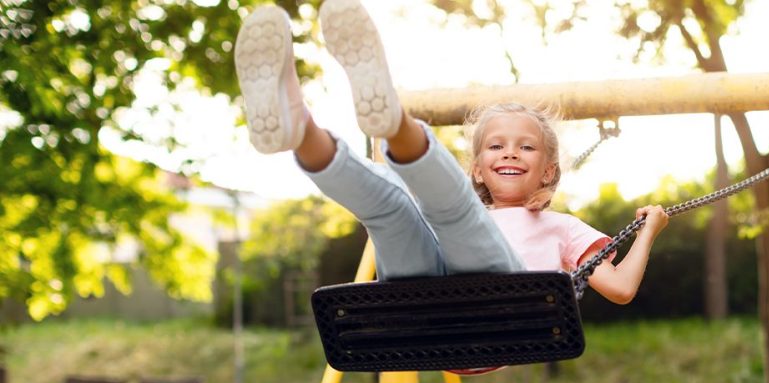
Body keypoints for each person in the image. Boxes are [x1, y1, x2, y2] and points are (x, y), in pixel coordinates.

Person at [233, 0, 668, 305]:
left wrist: (647, 231)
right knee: (390, 209)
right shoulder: (467, 206)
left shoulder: (563, 228)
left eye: (526, 147)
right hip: (426, 310)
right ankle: (300, 125)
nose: (509, 154)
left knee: (451, 210)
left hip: (502, 313)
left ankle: (394, 121)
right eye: (495, 146)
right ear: (478, 169)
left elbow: (621, 289)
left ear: (548, 171)